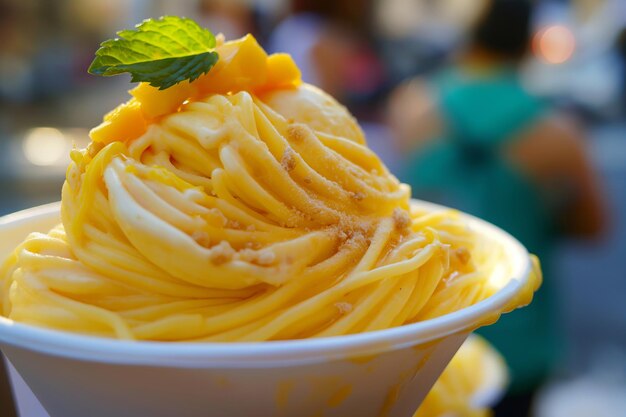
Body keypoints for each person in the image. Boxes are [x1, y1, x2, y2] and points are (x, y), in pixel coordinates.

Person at [387, 1, 606, 416]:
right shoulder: (557, 132)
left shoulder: (411, 105)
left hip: (425, 335)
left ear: (468, 37)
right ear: (526, 45)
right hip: (519, 344)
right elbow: (593, 226)